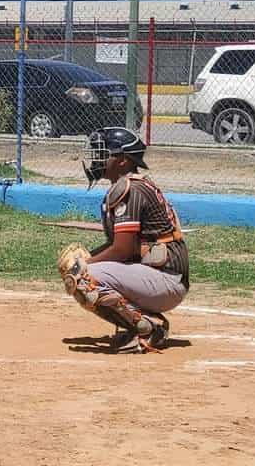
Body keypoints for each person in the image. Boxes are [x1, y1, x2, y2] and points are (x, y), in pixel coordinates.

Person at [56, 127, 189, 353]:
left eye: (105, 153)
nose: (98, 159)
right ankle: (145, 322)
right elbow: (123, 247)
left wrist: (86, 264)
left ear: (123, 161)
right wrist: (90, 258)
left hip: (166, 280)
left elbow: (122, 250)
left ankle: (147, 330)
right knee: (81, 273)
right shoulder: (129, 185)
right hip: (159, 276)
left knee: (84, 278)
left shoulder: (130, 189)